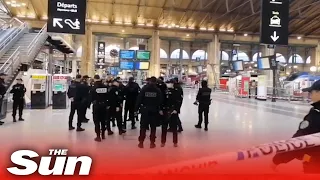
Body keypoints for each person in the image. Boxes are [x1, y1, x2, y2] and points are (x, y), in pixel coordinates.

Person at [272, 80, 320, 174]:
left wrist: (277, 160)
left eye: (312, 92)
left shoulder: (316, 115)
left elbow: (300, 141)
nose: (310, 95)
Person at [135, 76, 163, 148]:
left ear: (149, 81)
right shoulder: (157, 90)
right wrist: (160, 109)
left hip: (145, 110)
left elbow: (139, 99)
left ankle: (141, 142)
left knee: (143, 127)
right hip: (154, 111)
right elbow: (160, 101)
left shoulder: (144, 89)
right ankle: (152, 143)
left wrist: (136, 109)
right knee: (153, 127)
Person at [161, 79, 181, 148]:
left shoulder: (176, 91)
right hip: (165, 110)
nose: (169, 84)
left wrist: (177, 109)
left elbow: (179, 101)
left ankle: (175, 142)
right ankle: (163, 141)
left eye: (170, 83)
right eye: (168, 83)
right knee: (164, 127)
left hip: (173, 111)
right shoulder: (164, 92)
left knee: (174, 128)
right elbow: (161, 101)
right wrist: (160, 109)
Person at [90, 75, 108, 142]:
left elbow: (91, 97)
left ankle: (98, 136)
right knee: (103, 121)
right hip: (104, 105)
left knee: (96, 121)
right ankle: (103, 135)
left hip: (96, 106)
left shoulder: (93, 88)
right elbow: (107, 96)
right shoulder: (105, 87)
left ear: (94, 79)